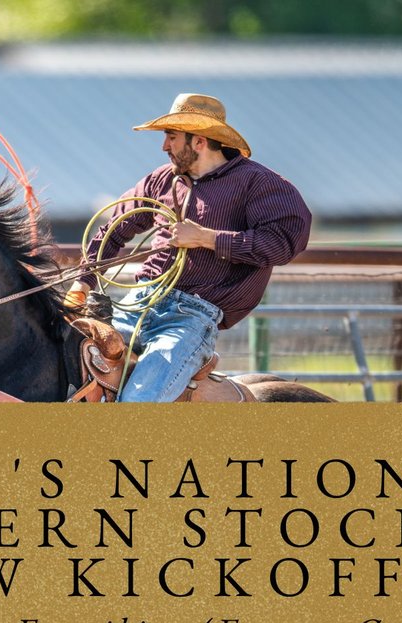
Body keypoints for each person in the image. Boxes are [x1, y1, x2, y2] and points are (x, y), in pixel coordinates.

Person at [68, 93, 312, 402]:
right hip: (139, 302)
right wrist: (82, 284)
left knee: (139, 402)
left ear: (198, 141)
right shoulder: (160, 181)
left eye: (171, 137)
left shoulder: (258, 184)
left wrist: (205, 238)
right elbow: (112, 230)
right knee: (68, 354)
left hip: (191, 318)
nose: (164, 146)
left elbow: (284, 243)